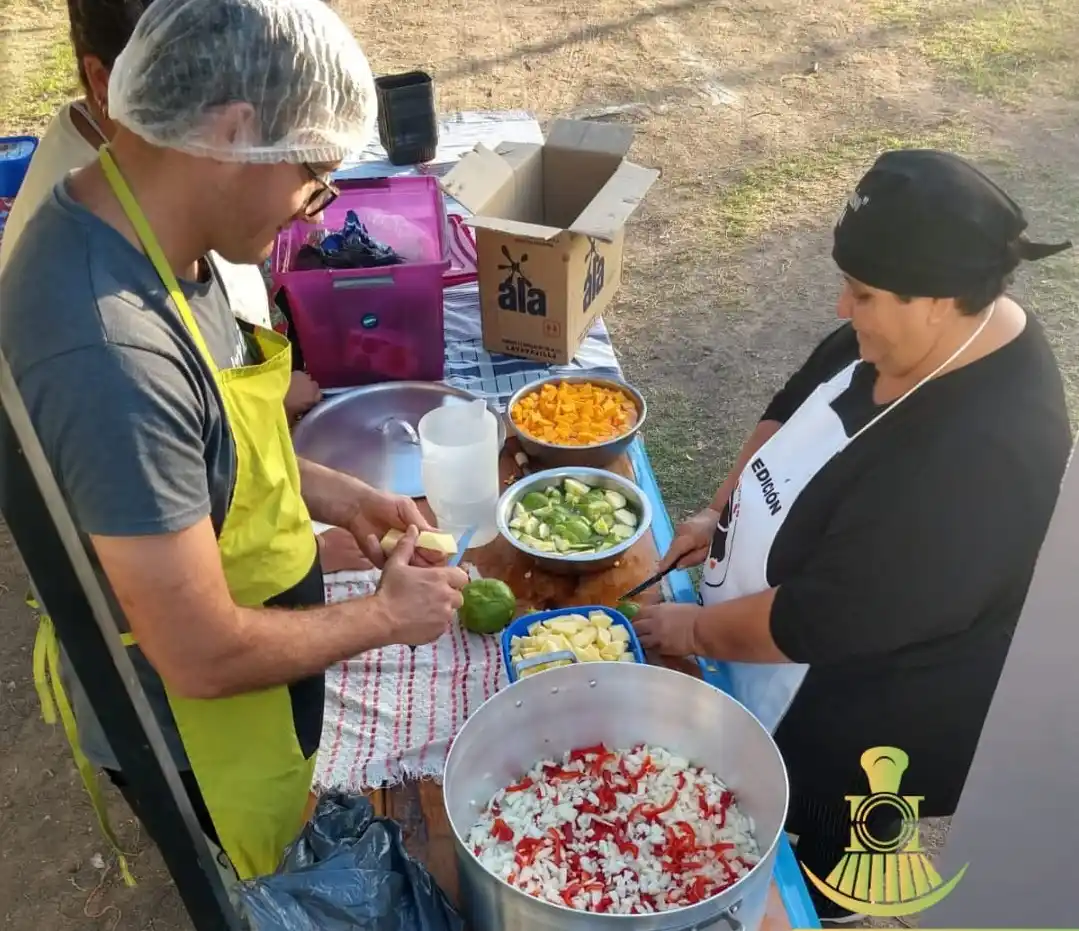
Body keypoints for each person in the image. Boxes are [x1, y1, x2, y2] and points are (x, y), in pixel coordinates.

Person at [0, 0, 468, 881]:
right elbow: (202, 652)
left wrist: (333, 491)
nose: (313, 214)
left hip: (251, 671)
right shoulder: (107, 351)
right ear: (233, 129)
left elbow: (207, 430)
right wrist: (384, 616)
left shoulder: (157, 223)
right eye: (312, 178)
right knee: (255, 885)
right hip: (194, 729)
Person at [631, 150, 1073, 923]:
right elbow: (792, 401)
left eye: (862, 294)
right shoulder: (910, 334)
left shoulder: (985, 456)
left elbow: (821, 618)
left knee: (805, 849)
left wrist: (691, 627)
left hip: (868, 715)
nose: (842, 308)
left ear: (937, 300)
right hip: (771, 636)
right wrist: (718, 511)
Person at [0, 0, 323, 424]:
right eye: (187, 84)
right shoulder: (101, 303)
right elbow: (170, 413)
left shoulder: (160, 185)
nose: (234, 136)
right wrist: (267, 402)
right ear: (105, 82)